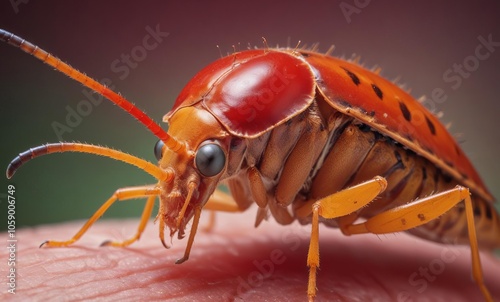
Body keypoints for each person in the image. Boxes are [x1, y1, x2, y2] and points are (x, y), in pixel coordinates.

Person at [5, 207, 500, 301]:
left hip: (435, 199)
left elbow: (328, 208)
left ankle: (481, 284)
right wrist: (133, 241)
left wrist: (311, 288)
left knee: (459, 204)